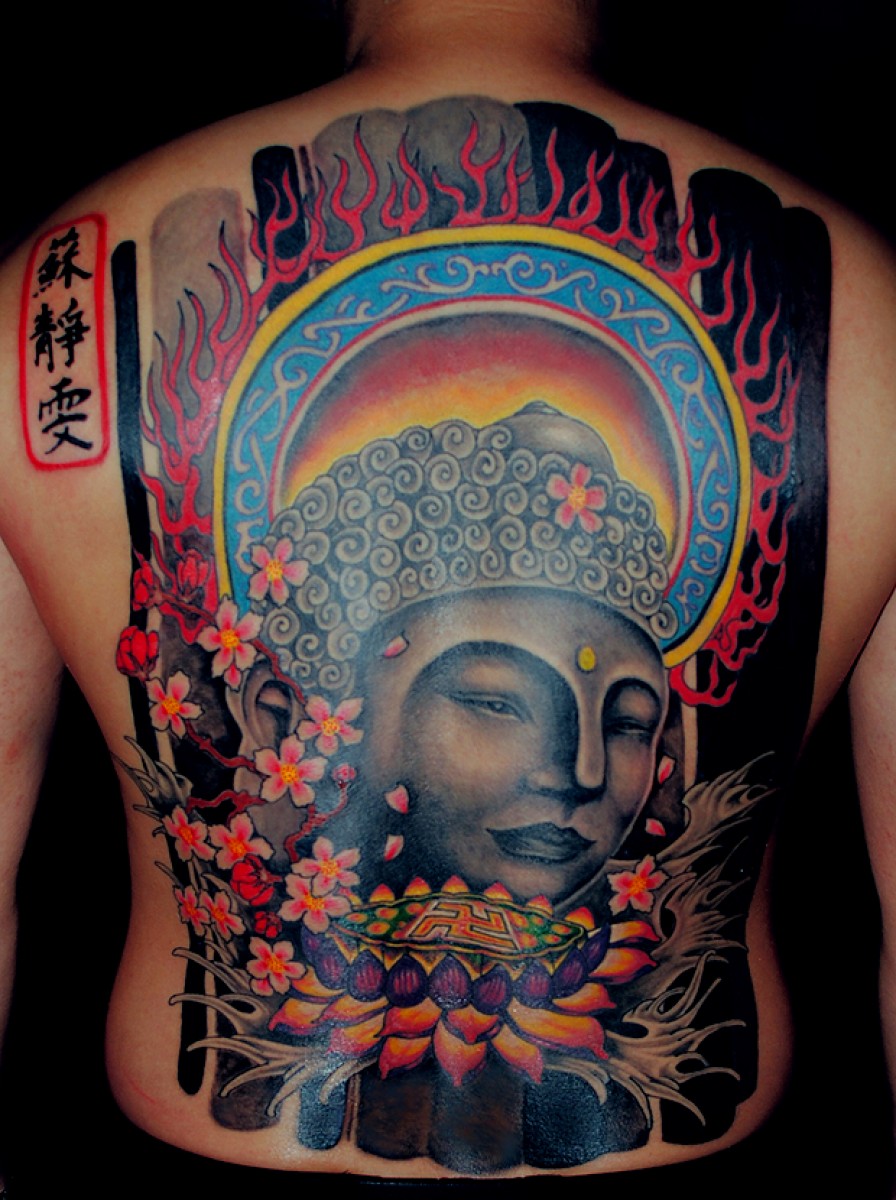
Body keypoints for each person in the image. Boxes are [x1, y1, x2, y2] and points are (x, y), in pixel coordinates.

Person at [1, 0, 895, 1194]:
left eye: (632, 718)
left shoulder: (41, 305)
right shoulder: (871, 320)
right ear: (282, 716)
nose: (582, 772)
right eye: (491, 699)